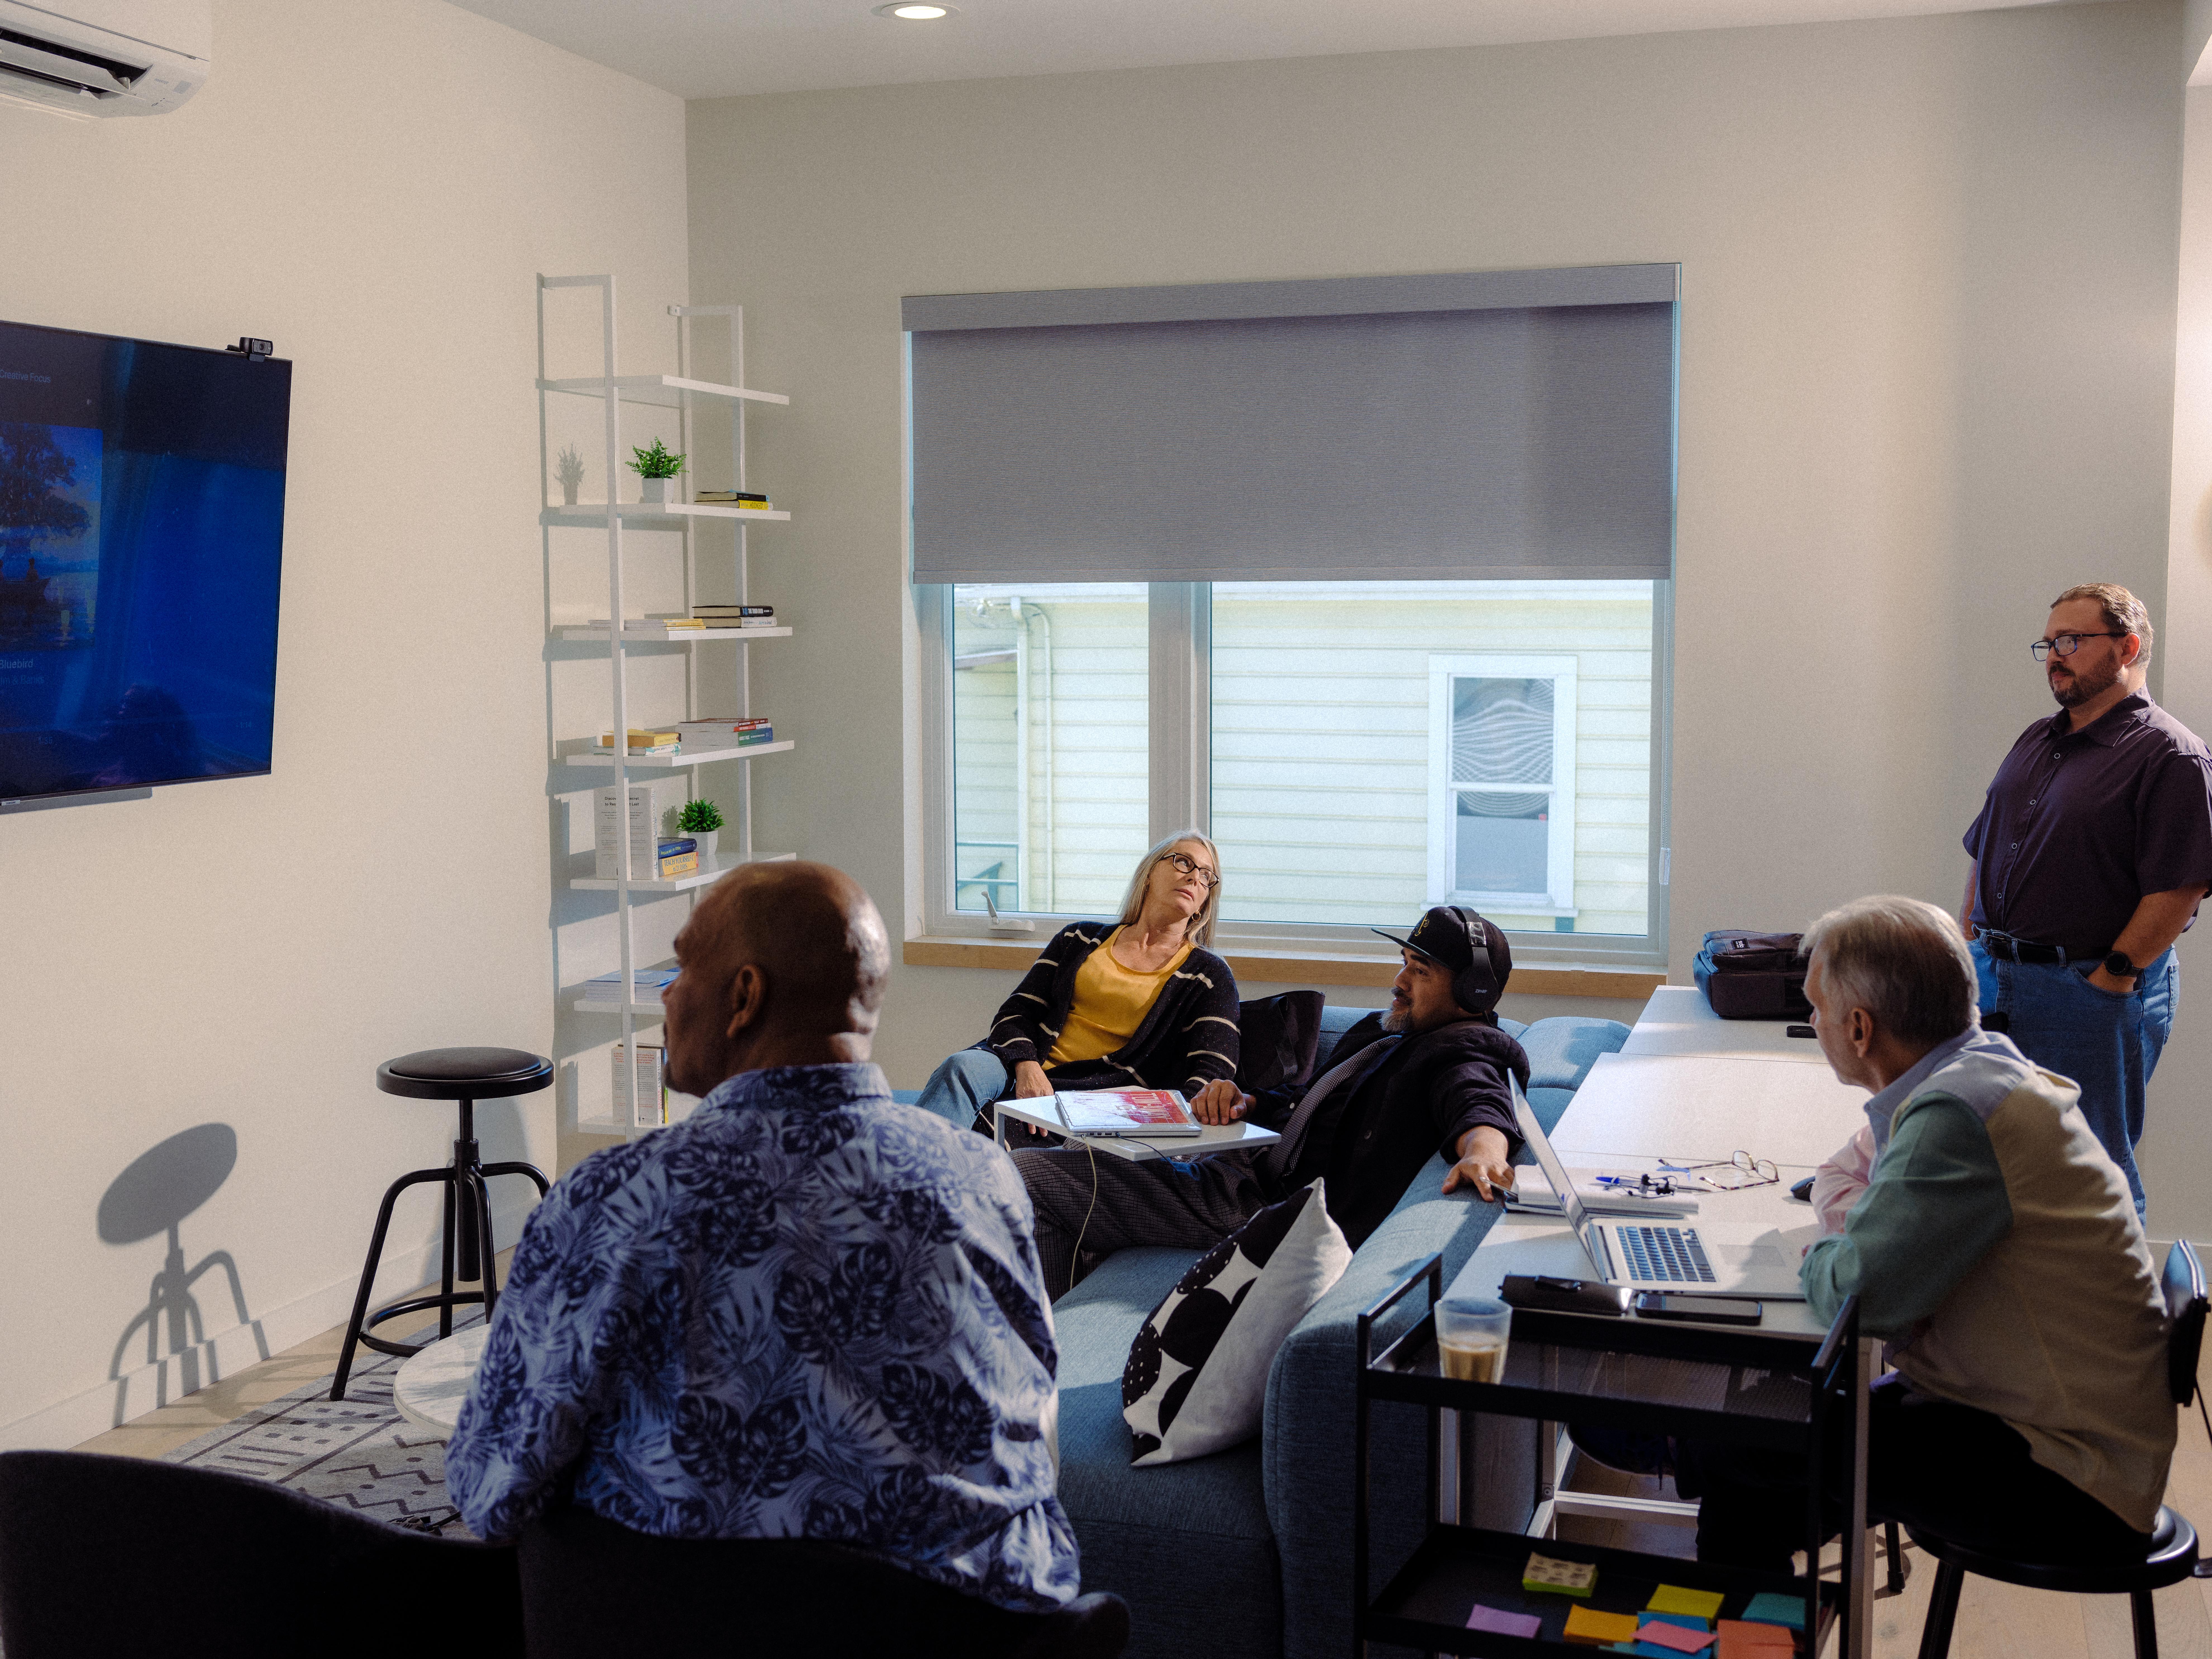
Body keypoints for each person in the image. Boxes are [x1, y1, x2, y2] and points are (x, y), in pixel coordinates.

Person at [444, 861, 1079, 1612]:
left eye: (682, 965)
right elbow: (1034, 1417)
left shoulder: (613, 1196)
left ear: (744, 996)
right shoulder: (985, 1175)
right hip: (969, 1629)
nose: (669, 992)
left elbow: (495, 1484)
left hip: (684, 1625)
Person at [1684, 896, 2174, 1571]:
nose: (1811, 1021)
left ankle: (1737, 1624)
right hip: (2042, 1422)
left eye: (1815, 1007)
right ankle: (1754, 1634)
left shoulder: (1956, 1113)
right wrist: (1852, 1236)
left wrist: (1823, 1250)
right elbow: (1864, 1218)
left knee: (1732, 1444)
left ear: (1859, 1028)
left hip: (2067, 1473)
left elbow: (1861, 1297)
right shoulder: (1980, 1071)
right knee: (1747, 1461)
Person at [1013, 905, 1529, 1295]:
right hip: (1238, 1161)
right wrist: (1248, 1102)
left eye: (1421, 972)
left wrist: (1483, 1152)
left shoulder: (1464, 1049)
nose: (1399, 982)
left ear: (1474, 992)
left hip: (1257, 1206)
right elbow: (1309, 1099)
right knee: (1080, 1152)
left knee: (1026, 1179)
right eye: (1404, 963)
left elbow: (1478, 1097)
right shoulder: (1386, 1033)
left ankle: (1038, 1359)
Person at [1961, 582, 2212, 1216]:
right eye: (2048, 642)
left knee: (2091, 1172)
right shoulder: (2036, 739)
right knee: (1993, 1160)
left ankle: (2115, 1315)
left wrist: (2112, 979)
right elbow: (1983, 841)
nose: (2054, 654)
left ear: (2126, 647)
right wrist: (1968, 939)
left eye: (2071, 640)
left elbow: (2180, 886)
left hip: (2085, 991)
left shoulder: (2170, 754)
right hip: (1996, 979)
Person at [914, 831, 1248, 1134]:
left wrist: (1134, 1117)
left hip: (1097, 1100)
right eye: (1183, 862)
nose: (1193, 877)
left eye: (1206, 876)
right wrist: (1026, 1066)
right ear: (1149, 874)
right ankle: (894, 1185)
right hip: (1020, 1063)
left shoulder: (1208, 975)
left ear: (1204, 902)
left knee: (983, 1133)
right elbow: (1016, 1013)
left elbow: (1212, 1075)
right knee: (960, 1068)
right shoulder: (1079, 938)